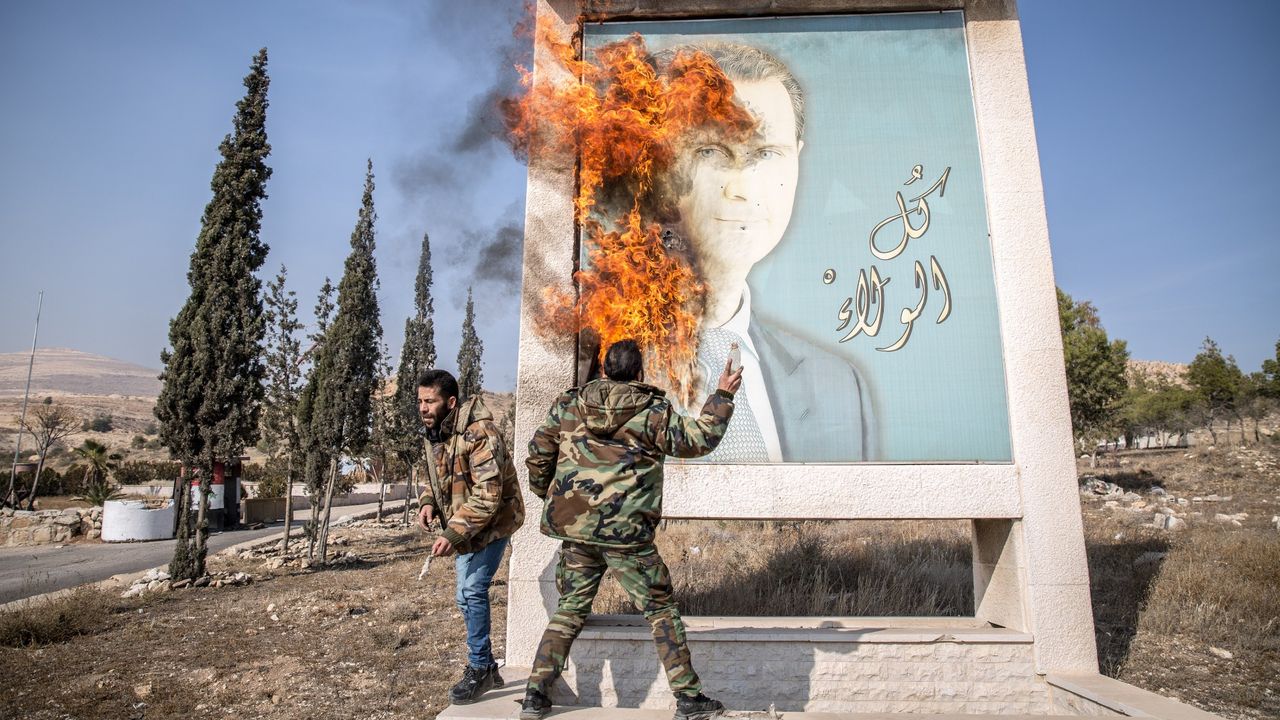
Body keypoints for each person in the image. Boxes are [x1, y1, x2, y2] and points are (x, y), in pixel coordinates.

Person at [652, 42, 876, 463]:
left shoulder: (837, 385)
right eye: (710, 152)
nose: (741, 189)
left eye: (767, 153)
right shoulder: (607, 362)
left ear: (797, 160)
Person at [519, 339, 742, 720]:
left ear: (605, 370)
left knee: (570, 609)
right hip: (627, 536)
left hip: (576, 531)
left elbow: (538, 454)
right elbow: (700, 439)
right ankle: (689, 699)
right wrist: (722, 394)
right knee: (659, 610)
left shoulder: (569, 404)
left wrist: (553, 497)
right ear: (639, 373)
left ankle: (535, 695)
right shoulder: (653, 411)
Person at [415, 369, 524, 705]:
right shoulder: (436, 433)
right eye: (419, 401)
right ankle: (488, 667)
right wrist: (428, 502)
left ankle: (478, 667)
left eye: (429, 401)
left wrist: (453, 532)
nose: (422, 407)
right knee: (464, 597)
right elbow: (433, 476)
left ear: (450, 402)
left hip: (494, 523)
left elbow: (489, 496)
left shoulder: (480, 433)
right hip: (467, 525)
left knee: (471, 589)